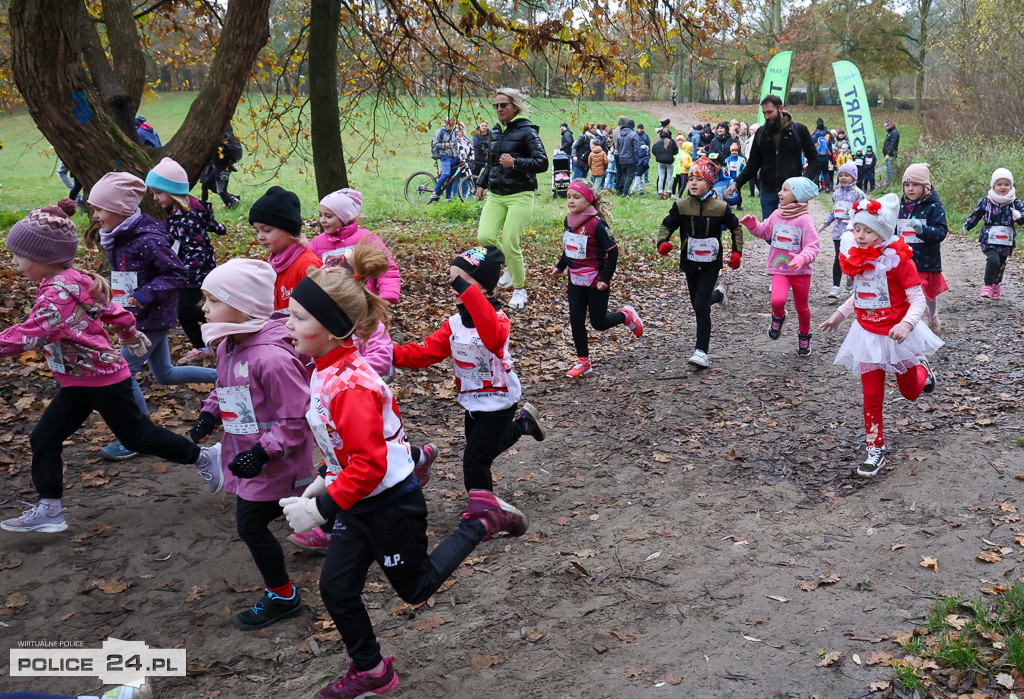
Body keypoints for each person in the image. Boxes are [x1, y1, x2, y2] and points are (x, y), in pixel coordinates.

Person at [278, 255, 529, 699]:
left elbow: (371, 464)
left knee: (416, 588)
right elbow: (345, 449)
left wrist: (319, 507)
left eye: (298, 317)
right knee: (337, 589)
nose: (287, 325)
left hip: (390, 503)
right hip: (357, 501)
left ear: (334, 328)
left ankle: (481, 521)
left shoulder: (350, 384)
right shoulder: (325, 371)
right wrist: (321, 482)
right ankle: (372, 670)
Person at [0, 203, 219, 533]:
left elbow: (30, 334)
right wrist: (129, 333)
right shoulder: (73, 280)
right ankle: (50, 508)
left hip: (102, 380)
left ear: (42, 257)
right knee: (45, 437)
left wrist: (129, 334)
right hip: (80, 381)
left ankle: (204, 458)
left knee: (138, 436)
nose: (15, 263)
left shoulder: (58, 295)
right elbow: (113, 309)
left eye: (19, 256)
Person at [189, 259, 315, 629]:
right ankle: (342, 520)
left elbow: (296, 418)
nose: (204, 308)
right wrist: (210, 414)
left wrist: (263, 452)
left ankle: (283, 596)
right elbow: (224, 386)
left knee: (252, 526)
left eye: (212, 300)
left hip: (278, 462)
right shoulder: (229, 345)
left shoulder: (271, 358)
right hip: (247, 453)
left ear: (242, 306)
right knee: (284, 514)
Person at [392, 245, 546, 493]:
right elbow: (426, 352)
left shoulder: (498, 320)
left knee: (475, 462)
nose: (453, 287)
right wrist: (390, 353)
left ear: (482, 287)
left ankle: (483, 512)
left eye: (461, 281)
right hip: (472, 401)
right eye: (451, 280)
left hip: (499, 402)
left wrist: (470, 295)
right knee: (483, 451)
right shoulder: (455, 324)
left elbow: (491, 338)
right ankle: (523, 425)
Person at [87, 172, 217, 462]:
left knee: (124, 368)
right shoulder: (120, 234)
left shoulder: (146, 239)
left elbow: (177, 272)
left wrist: (145, 294)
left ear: (120, 209)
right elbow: (127, 275)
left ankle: (138, 436)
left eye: (99, 209)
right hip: (136, 314)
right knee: (165, 374)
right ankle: (225, 379)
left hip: (151, 318)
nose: (95, 216)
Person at [819, 193, 941, 478]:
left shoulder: (899, 261)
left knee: (911, 393)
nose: (859, 235)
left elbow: (918, 299)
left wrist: (907, 325)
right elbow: (860, 295)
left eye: (867, 230)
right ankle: (875, 449)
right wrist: (840, 315)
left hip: (898, 334)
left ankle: (922, 369)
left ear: (882, 232)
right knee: (871, 396)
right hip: (867, 334)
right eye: (857, 229)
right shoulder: (856, 257)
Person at [550, 180, 643, 378]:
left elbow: (613, 252)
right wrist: (560, 266)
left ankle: (625, 315)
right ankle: (583, 360)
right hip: (575, 279)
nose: (571, 201)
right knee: (575, 319)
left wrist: (606, 279)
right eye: (568, 197)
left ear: (589, 200)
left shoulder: (597, 224)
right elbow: (570, 247)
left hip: (596, 280)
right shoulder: (569, 221)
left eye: (577, 197)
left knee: (598, 323)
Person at [656, 157, 742, 368]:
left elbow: (736, 228)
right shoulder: (681, 205)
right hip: (690, 262)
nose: (693, 183)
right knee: (697, 302)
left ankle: (701, 351)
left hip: (711, 263)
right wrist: (662, 242)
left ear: (710, 183)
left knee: (701, 306)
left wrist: (737, 252)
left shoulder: (720, 207)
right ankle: (720, 295)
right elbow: (667, 224)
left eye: (699, 179)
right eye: (691, 178)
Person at [145, 157, 227, 366]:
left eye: (159, 193)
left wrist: (183, 273)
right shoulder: (181, 211)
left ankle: (227, 320)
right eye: (153, 193)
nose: (155, 198)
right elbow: (207, 223)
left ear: (173, 192)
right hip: (188, 269)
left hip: (195, 271)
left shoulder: (186, 218)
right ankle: (203, 345)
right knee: (183, 311)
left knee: (184, 310)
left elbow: (196, 250)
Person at [475, 87, 549, 310]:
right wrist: (481, 184)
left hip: (520, 195)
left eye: (503, 105)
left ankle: (520, 290)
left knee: (509, 240)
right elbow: (490, 163)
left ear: (515, 107)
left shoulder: (528, 132)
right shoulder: (495, 132)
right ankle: (509, 264)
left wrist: (515, 163)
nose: (499, 109)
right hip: (496, 194)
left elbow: (542, 163)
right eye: (496, 106)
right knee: (484, 237)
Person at [739, 177, 821, 356]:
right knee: (777, 300)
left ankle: (805, 336)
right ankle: (779, 316)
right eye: (781, 189)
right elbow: (765, 231)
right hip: (780, 268)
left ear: (797, 195)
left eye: (785, 190)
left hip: (801, 272)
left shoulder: (804, 220)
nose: (779, 193)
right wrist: (753, 226)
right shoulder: (777, 214)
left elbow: (813, 245)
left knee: (802, 308)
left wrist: (802, 258)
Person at [727, 95, 819, 218]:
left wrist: (804, 181)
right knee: (769, 234)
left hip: (792, 193)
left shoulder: (799, 130)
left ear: (780, 109)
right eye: (764, 113)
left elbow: (814, 159)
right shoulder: (760, 133)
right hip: (767, 192)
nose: (766, 116)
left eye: (770, 112)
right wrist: (736, 184)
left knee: (790, 234)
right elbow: (753, 164)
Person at [311, 188, 401, 303]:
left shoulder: (365, 239)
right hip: (330, 307)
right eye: (320, 215)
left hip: (365, 304)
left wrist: (388, 293)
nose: (322, 220)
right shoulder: (317, 243)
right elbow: (309, 273)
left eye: (328, 216)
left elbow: (386, 267)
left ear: (345, 217)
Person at [249, 185, 323, 310]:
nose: (260, 237)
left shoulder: (308, 266)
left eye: (267, 230)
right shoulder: (274, 264)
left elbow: (319, 310)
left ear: (289, 230)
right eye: (257, 231)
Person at [897, 163, 948, 332]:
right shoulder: (900, 206)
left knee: (929, 294)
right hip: (904, 261)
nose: (910, 189)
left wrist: (923, 230)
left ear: (926, 187)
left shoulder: (934, 207)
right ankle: (915, 328)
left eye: (915, 185)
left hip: (926, 261)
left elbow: (941, 232)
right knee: (910, 296)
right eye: (907, 185)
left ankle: (932, 315)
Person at [963, 167, 1024, 299]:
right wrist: (968, 226)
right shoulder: (986, 201)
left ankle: (996, 284)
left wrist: (1019, 216)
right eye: (999, 184)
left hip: (1006, 239)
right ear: (993, 186)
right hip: (989, 237)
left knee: (1001, 263)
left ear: (1011, 186)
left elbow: (1022, 220)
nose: (1003, 187)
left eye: (1007, 184)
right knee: (993, 260)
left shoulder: (1015, 203)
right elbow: (976, 214)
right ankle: (987, 285)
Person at [817, 162, 866, 300]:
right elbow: (834, 212)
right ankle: (835, 287)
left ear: (854, 177)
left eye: (847, 175)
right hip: (838, 233)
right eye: (841, 175)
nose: (843, 178)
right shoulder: (836, 194)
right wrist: (826, 222)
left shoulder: (859, 194)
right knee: (838, 258)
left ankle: (851, 279)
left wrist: (855, 223)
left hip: (853, 233)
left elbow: (865, 212)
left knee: (852, 257)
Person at [200, 127, 243, 209]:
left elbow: (220, 158)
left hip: (222, 168)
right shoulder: (221, 137)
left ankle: (232, 204)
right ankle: (233, 197)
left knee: (221, 191)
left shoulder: (220, 141)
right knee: (206, 184)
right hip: (216, 166)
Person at [429, 118, 459, 204]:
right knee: (446, 174)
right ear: (446, 124)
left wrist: (458, 155)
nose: (451, 127)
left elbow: (456, 145)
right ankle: (435, 192)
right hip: (444, 156)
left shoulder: (453, 132)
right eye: (450, 125)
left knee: (451, 179)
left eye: (453, 126)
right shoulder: (440, 131)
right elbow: (435, 144)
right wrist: (446, 145)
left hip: (453, 157)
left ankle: (447, 198)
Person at [615, 119, 641, 196]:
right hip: (630, 159)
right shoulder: (634, 134)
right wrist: (636, 158)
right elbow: (636, 148)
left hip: (622, 158)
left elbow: (618, 147)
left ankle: (624, 190)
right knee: (630, 176)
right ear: (633, 126)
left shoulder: (620, 135)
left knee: (625, 175)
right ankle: (625, 192)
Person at [652, 129, 679, 200]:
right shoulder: (672, 142)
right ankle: (669, 193)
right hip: (670, 162)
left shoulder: (658, 142)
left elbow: (653, 150)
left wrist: (659, 155)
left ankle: (660, 193)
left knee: (661, 177)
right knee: (669, 178)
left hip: (660, 162)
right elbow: (676, 151)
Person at [811, 118, 834, 191]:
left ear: (817, 128)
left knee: (817, 173)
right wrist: (831, 157)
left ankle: (816, 187)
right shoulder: (827, 136)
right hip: (825, 157)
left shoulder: (814, 136)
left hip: (817, 157)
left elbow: (810, 145)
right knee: (826, 172)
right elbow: (830, 147)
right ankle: (827, 187)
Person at [882, 120, 900, 186]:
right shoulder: (890, 133)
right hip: (888, 154)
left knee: (891, 170)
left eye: (886, 126)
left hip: (890, 155)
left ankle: (891, 184)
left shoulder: (894, 133)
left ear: (890, 125)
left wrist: (889, 154)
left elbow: (893, 145)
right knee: (889, 170)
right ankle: (889, 183)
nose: (885, 128)